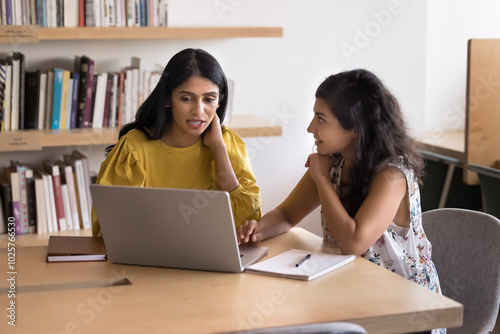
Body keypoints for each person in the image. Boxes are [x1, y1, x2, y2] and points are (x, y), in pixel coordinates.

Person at [238, 69, 444, 334]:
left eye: (321, 119)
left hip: (407, 311)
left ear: (355, 129)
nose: (310, 127)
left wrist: (322, 180)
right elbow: (287, 214)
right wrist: (256, 230)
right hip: (353, 293)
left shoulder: (392, 175)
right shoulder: (333, 162)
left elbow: (353, 243)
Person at [92, 48, 261, 237]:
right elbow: (111, 228)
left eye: (209, 99)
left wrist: (219, 149)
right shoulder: (133, 149)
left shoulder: (227, 143)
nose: (198, 111)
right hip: (148, 260)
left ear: (219, 103)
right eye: (187, 98)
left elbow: (245, 223)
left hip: (212, 260)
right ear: (167, 99)